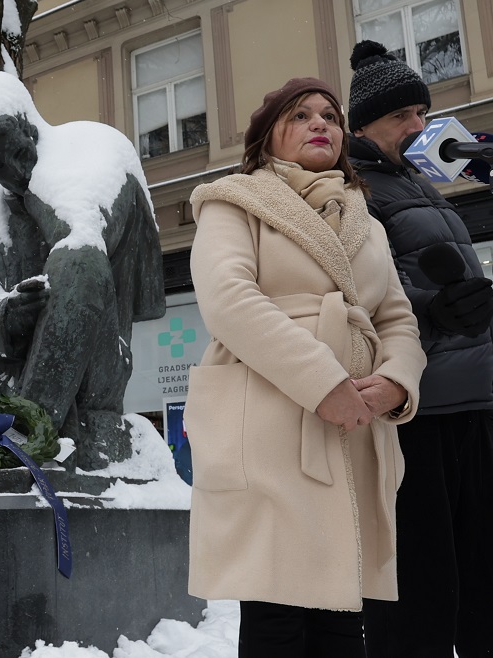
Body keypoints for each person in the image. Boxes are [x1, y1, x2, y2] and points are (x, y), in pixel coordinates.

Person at [185, 78, 427, 657]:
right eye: (300, 115)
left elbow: (397, 318)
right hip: (269, 423)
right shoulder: (232, 201)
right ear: (267, 137)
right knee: (276, 614)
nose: (321, 123)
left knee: (342, 616)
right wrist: (324, 383)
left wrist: (396, 382)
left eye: (330, 116)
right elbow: (229, 301)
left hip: (355, 429)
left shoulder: (366, 222)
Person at [347, 40, 493, 657]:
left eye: (422, 112)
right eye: (401, 115)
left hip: (474, 402)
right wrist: (431, 310)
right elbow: (355, 287)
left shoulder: (421, 183)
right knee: (419, 593)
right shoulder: (353, 188)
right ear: (363, 126)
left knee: (483, 585)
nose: (418, 124)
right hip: (415, 415)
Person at [0, 71, 166, 470]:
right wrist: (9, 315)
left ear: (30, 129)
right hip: (1, 379)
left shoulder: (96, 153)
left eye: (16, 155)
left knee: (77, 259)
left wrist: (34, 192)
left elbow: (84, 247)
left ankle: (25, 437)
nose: (9, 173)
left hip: (95, 367)